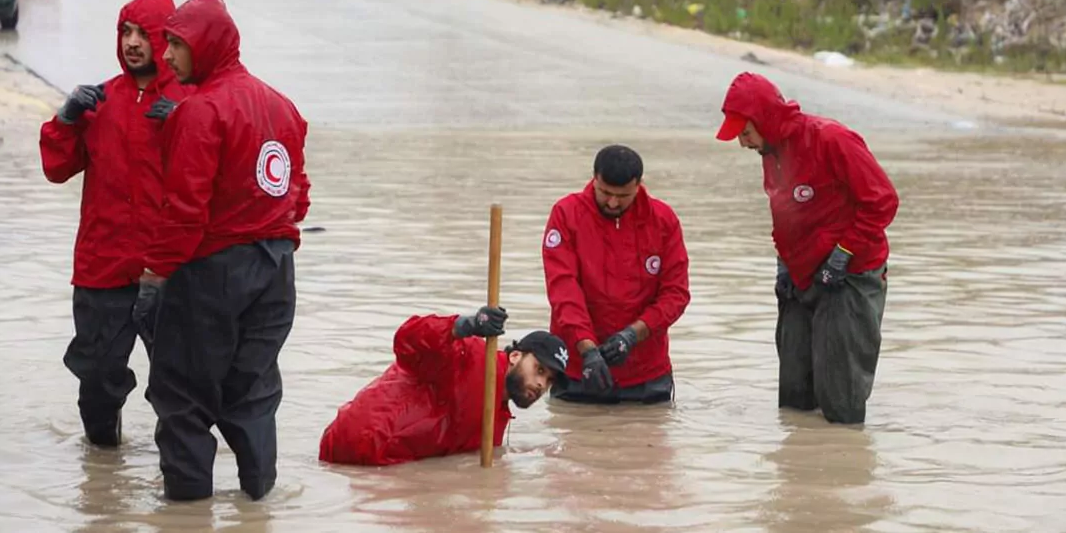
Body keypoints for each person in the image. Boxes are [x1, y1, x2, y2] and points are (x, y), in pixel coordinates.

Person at [136, 0, 311, 502]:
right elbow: (298, 191)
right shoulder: (282, 105)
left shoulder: (201, 111)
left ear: (205, 45)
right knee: (254, 394)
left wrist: (154, 277)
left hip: (213, 271)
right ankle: (258, 505)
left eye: (175, 44)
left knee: (182, 398)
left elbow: (184, 210)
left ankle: (188, 511)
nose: (165, 56)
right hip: (277, 271)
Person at [38, 0, 189, 448]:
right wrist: (65, 120)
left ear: (168, 39)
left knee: (180, 385)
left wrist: (186, 121)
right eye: (126, 31)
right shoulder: (98, 101)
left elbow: (222, 181)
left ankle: (181, 486)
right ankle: (103, 481)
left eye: (145, 33)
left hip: (170, 271)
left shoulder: (192, 101)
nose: (133, 42)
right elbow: (56, 169)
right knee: (98, 380)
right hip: (102, 267)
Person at [714, 72, 899, 425]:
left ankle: (844, 469)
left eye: (745, 132)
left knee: (840, 404)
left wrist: (843, 253)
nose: (742, 142)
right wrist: (784, 264)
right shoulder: (771, 152)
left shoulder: (831, 139)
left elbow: (883, 202)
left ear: (764, 119)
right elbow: (787, 216)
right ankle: (798, 473)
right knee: (794, 400)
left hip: (851, 278)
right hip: (801, 276)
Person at [318, 307, 568, 466]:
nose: (540, 384)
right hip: (355, 447)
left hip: (387, 467)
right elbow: (406, 340)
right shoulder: (471, 354)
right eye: (539, 370)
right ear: (515, 356)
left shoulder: (497, 422)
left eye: (548, 380)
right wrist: (462, 326)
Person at [541, 145, 691, 405]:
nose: (612, 202)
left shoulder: (664, 220)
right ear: (594, 178)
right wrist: (587, 348)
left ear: (639, 185)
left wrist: (632, 336)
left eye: (623, 196)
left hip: (647, 373)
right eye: (605, 192)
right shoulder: (566, 214)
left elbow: (676, 294)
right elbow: (563, 290)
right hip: (579, 369)